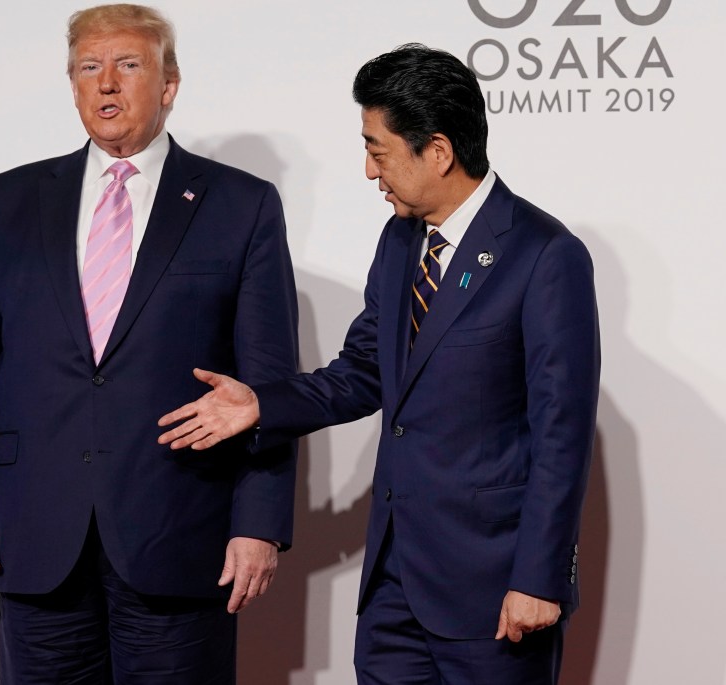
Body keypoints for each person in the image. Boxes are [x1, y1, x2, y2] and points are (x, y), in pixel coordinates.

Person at [159, 43, 600, 684]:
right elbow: (365, 370)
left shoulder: (546, 256)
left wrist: (539, 577)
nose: (369, 171)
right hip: (394, 588)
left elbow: (562, 434)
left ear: (439, 151)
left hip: (494, 589)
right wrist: (263, 404)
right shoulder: (399, 241)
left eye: (378, 149)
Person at [0, 5, 298, 683]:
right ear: (72, 85)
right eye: (88, 68)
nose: (106, 84)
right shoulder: (3, 203)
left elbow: (266, 383)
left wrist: (260, 521)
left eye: (128, 65)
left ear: (169, 84)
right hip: (36, 537)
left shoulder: (242, 206)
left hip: (183, 533)